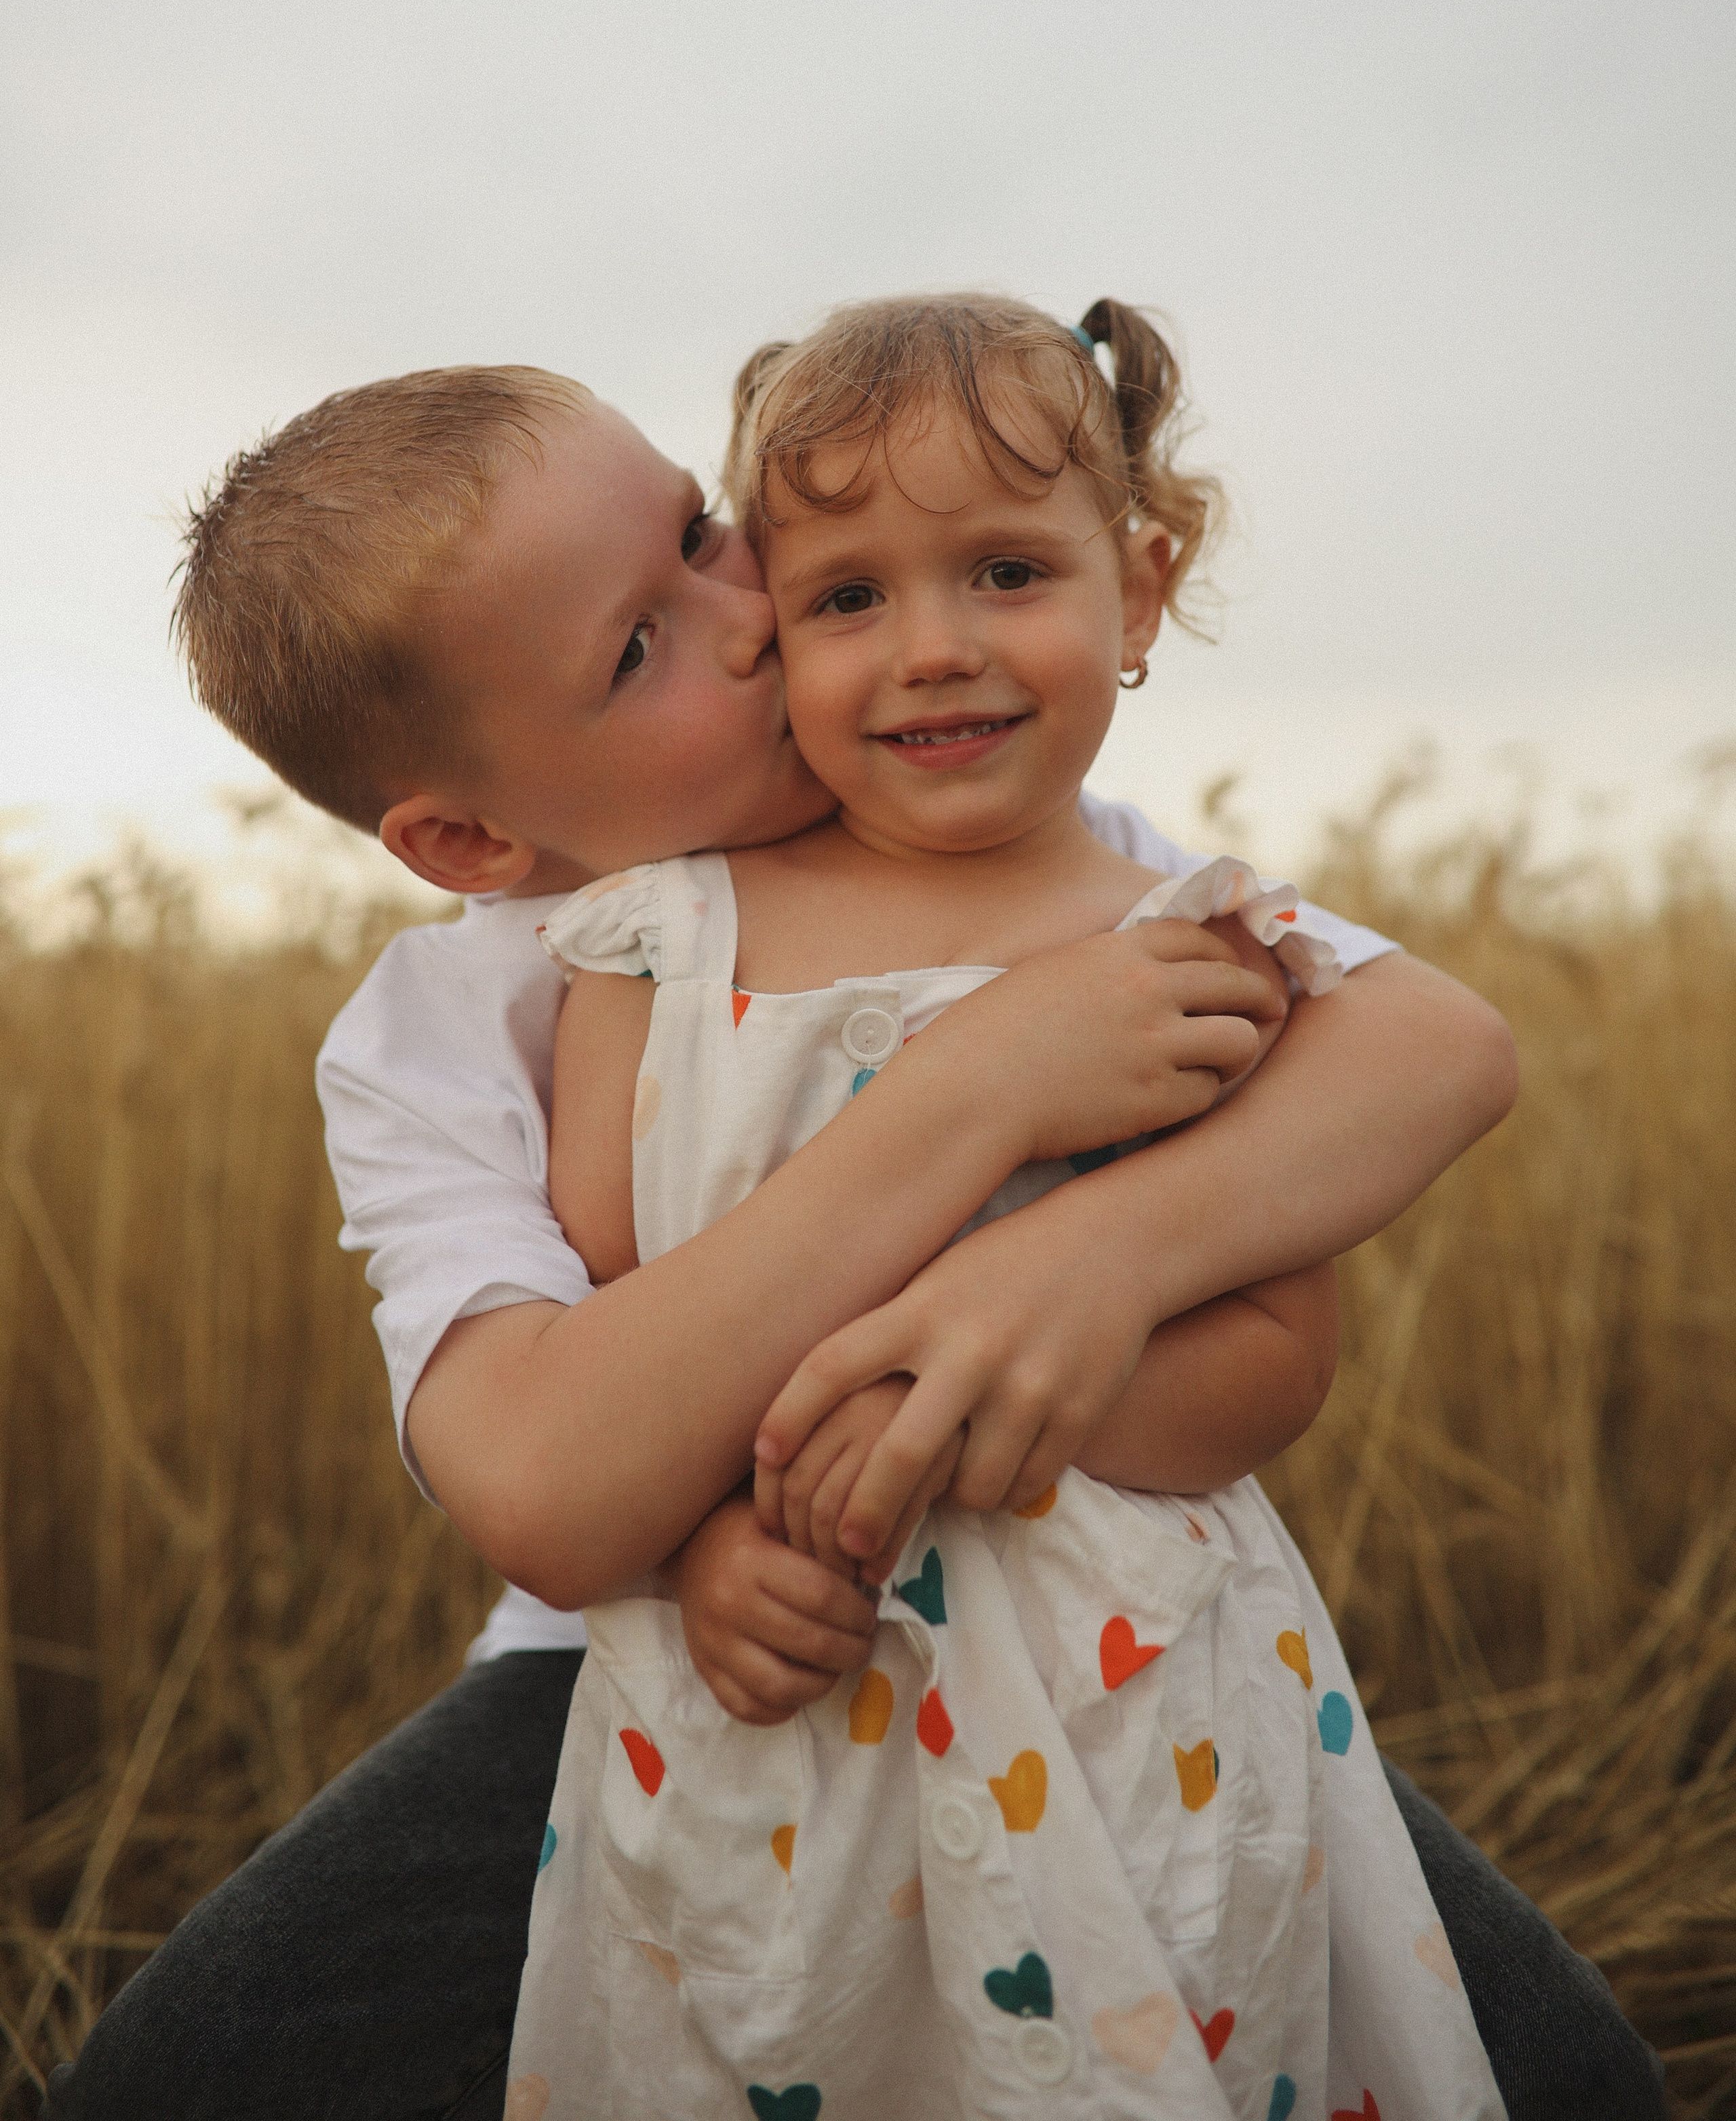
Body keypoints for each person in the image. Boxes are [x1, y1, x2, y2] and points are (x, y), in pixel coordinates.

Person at [45, 360, 1662, 2119]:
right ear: (470, 836)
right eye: (637, 648)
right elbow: (545, 1478)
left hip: (1107, 1649)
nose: (748, 615)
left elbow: (1435, 1048)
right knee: (191, 2071)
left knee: (1550, 2073)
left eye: (701, 532)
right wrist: (972, 1098)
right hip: (673, 1676)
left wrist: (1084, 1267)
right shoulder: (438, 1031)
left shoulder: (1033, 846)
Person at [508, 293, 1502, 2118]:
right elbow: (612, 1326)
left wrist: (991, 1395)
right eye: (850, 599)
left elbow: (1275, 1358)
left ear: (1143, 583)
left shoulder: (1189, 951)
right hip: (775, 1701)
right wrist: (700, 1550)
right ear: (770, 635)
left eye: (1007, 574)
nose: (933, 652)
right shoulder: (665, 942)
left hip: (1136, 1719)